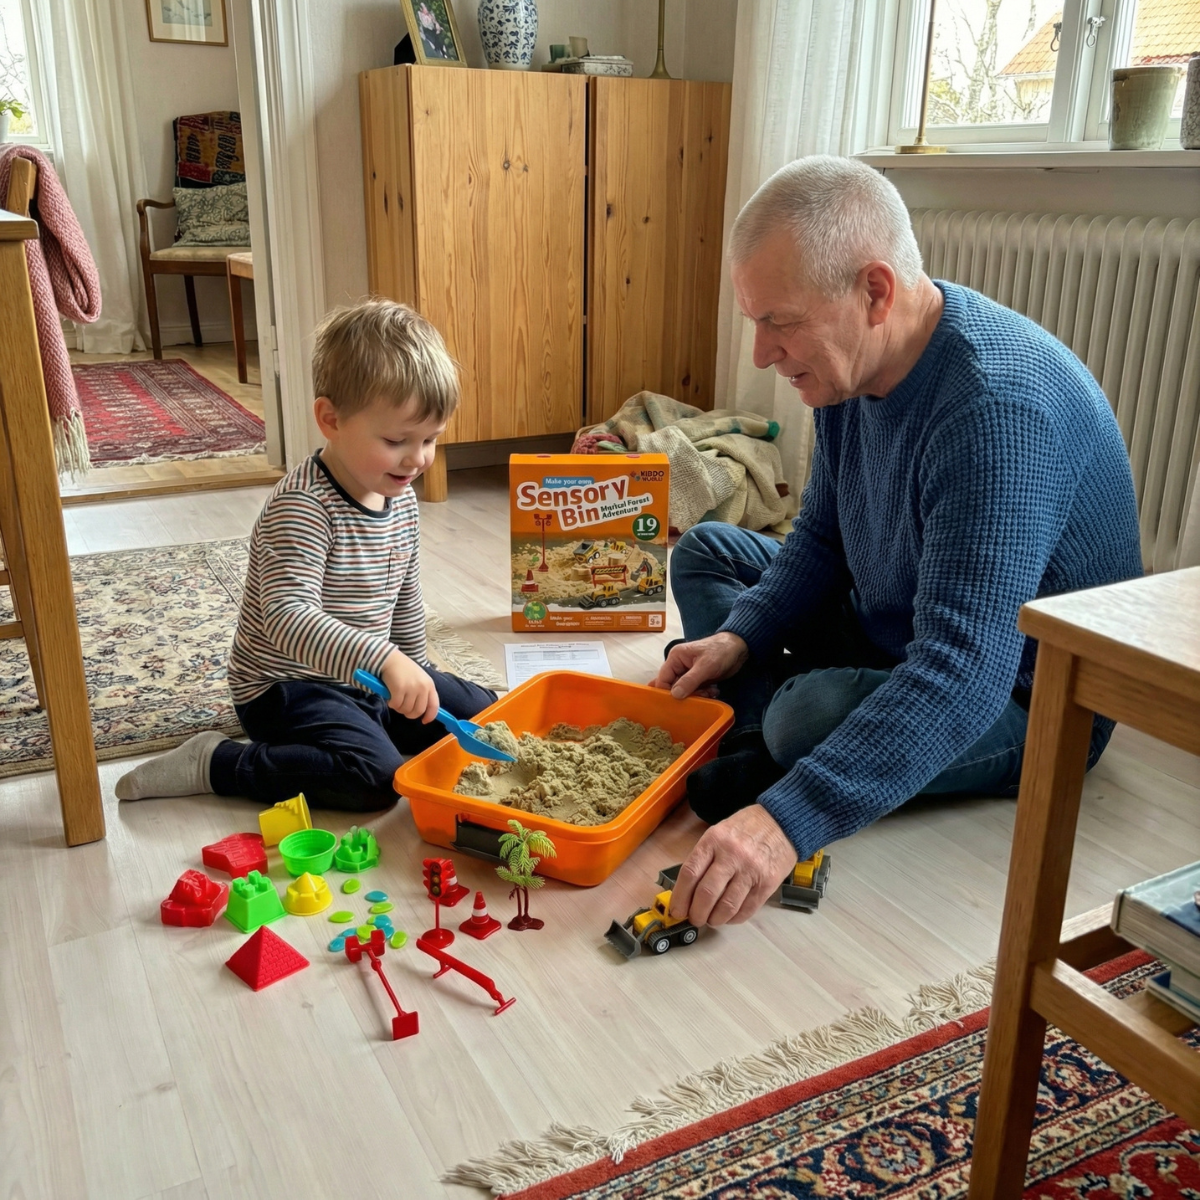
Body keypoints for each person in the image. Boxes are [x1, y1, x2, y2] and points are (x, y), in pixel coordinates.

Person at [652, 155, 1142, 929]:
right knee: (710, 551)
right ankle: (756, 730)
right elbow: (821, 536)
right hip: (898, 621)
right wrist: (740, 638)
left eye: (779, 321)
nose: (761, 355)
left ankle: (768, 742)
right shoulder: (852, 370)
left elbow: (961, 672)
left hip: (1022, 692)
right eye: (756, 322)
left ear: (874, 291)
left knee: (802, 718)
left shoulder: (995, 412)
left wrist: (786, 822)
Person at [116, 299, 496, 811]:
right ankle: (218, 762)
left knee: (488, 713)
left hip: (367, 678)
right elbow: (286, 618)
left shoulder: (399, 494)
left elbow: (404, 586)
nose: (418, 458)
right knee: (377, 781)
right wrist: (385, 660)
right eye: (397, 440)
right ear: (330, 419)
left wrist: (415, 665)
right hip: (287, 686)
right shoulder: (302, 507)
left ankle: (379, 726)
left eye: (430, 439)